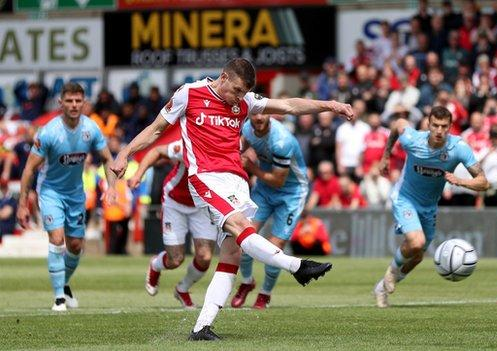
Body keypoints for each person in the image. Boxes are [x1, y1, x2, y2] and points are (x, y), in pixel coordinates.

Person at [110, 58, 353, 341]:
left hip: (237, 180)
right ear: (223, 77)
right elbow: (155, 129)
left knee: (233, 254)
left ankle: (202, 327)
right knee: (239, 227)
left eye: (242, 93)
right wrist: (125, 152)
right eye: (236, 90)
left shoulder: (245, 101)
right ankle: (296, 266)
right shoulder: (189, 93)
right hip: (205, 177)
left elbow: (288, 106)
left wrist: (330, 105)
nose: (238, 98)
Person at [373, 106, 489, 308]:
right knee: (416, 242)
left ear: (451, 127)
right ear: (428, 124)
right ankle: (391, 272)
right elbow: (398, 124)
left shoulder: (458, 148)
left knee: (417, 257)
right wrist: (385, 156)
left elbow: (483, 182)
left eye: (444, 126)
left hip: (429, 206)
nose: (439, 130)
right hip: (405, 198)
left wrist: (460, 181)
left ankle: (382, 287)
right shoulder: (413, 140)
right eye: (435, 125)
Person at [16, 82, 116, 311]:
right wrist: (23, 205)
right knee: (57, 239)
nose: (73, 105)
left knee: (75, 245)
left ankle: (63, 283)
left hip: (75, 194)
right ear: (61, 103)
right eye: (69, 101)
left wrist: (111, 187)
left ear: (84, 103)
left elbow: (108, 159)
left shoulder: (91, 129)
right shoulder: (49, 132)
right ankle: (59, 297)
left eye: (78, 101)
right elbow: (29, 169)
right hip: (50, 191)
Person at [230, 113, 309, 310]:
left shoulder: (282, 141)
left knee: (275, 245)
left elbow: (278, 180)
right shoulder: (248, 128)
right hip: (264, 190)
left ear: (269, 115)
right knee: (245, 237)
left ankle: (265, 293)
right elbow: (241, 147)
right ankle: (247, 282)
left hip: (290, 193)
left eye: (262, 113)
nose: (258, 117)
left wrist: (250, 167)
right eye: (254, 113)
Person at [127, 139, 216, 309]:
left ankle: (182, 289)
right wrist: (138, 174)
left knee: (204, 257)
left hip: (202, 204)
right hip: (175, 201)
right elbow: (157, 151)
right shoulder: (188, 144)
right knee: (176, 260)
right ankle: (155, 264)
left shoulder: (224, 147)